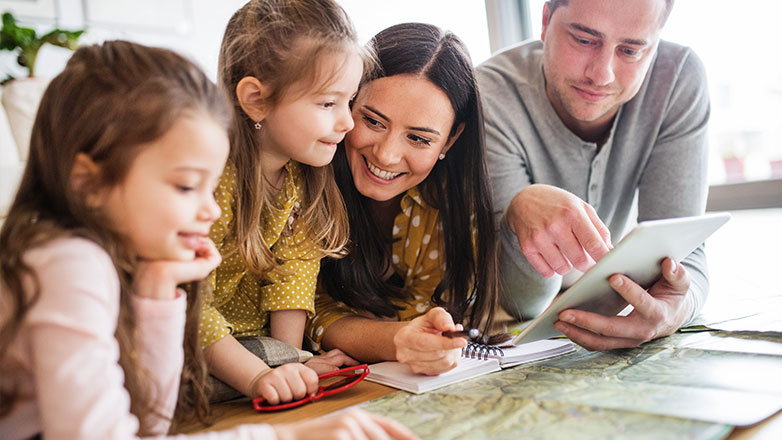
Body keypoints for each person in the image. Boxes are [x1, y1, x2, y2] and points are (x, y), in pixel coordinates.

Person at [0, 40, 416, 440]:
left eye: (210, 186)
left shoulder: (119, 264)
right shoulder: (68, 266)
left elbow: (150, 425)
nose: (212, 210)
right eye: (185, 187)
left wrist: (158, 291)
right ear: (88, 183)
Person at [476, 0, 710, 350]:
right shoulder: (487, 95)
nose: (602, 75)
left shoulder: (678, 78)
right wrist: (518, 214)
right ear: (545, 20)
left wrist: (678, 306)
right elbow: (518, 301)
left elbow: (686, 257)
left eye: (630, 50)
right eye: (584, 40)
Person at [200, 0, 372, 404]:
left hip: (252, 346)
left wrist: (292, 363)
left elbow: (292, 281)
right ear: (256, 100)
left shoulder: (303, 177)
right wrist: (261, 376)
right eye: (328, 103)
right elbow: (186, 309)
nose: (347, 121)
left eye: (349, 101)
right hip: (186, 335)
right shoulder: (210, 179)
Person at [307, 23, 500, 376]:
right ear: (349, 100)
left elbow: (428, 313)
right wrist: (398, 339)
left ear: (451, 140)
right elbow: (307, 313)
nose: (387, 155)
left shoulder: (453, 203)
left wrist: (414, 338)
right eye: (373, 121)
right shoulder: (306, 181)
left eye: (418, 139)